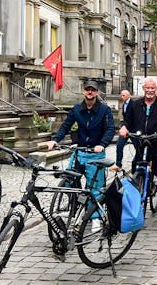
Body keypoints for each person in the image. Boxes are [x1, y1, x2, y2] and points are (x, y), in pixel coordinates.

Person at [46, 79, 115, 227]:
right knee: (69, 177)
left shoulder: (104, 110)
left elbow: (110, 129)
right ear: (83, 91)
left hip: (95, 153)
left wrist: (102, 145)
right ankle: (75, 203)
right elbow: (65, 126)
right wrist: (55, 140)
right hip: (79, 151)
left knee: (95, 186)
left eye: (93, 90)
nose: (90, 92)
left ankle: (95, 217)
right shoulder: (77, 109)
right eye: (87, 89)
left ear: (97, 92)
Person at [119, 77, 157, 223]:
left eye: (152, 88)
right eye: (147, 88)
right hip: (140, 141)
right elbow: (127, 120)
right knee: (136, 171)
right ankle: (136, 203)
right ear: (143, 88)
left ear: (156, 89)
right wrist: (124, 127)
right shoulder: (135, 104)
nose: (150, 90)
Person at [115, 89, 134, 167]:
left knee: (138, 147)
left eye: (123, 95)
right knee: (119, 146)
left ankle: (138, 162)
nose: (122, 97)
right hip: (125, 128)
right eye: (121, 95)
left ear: (128, 95)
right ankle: (118, 164)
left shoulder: (133, 104)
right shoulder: (124, 104)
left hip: (133, 129)